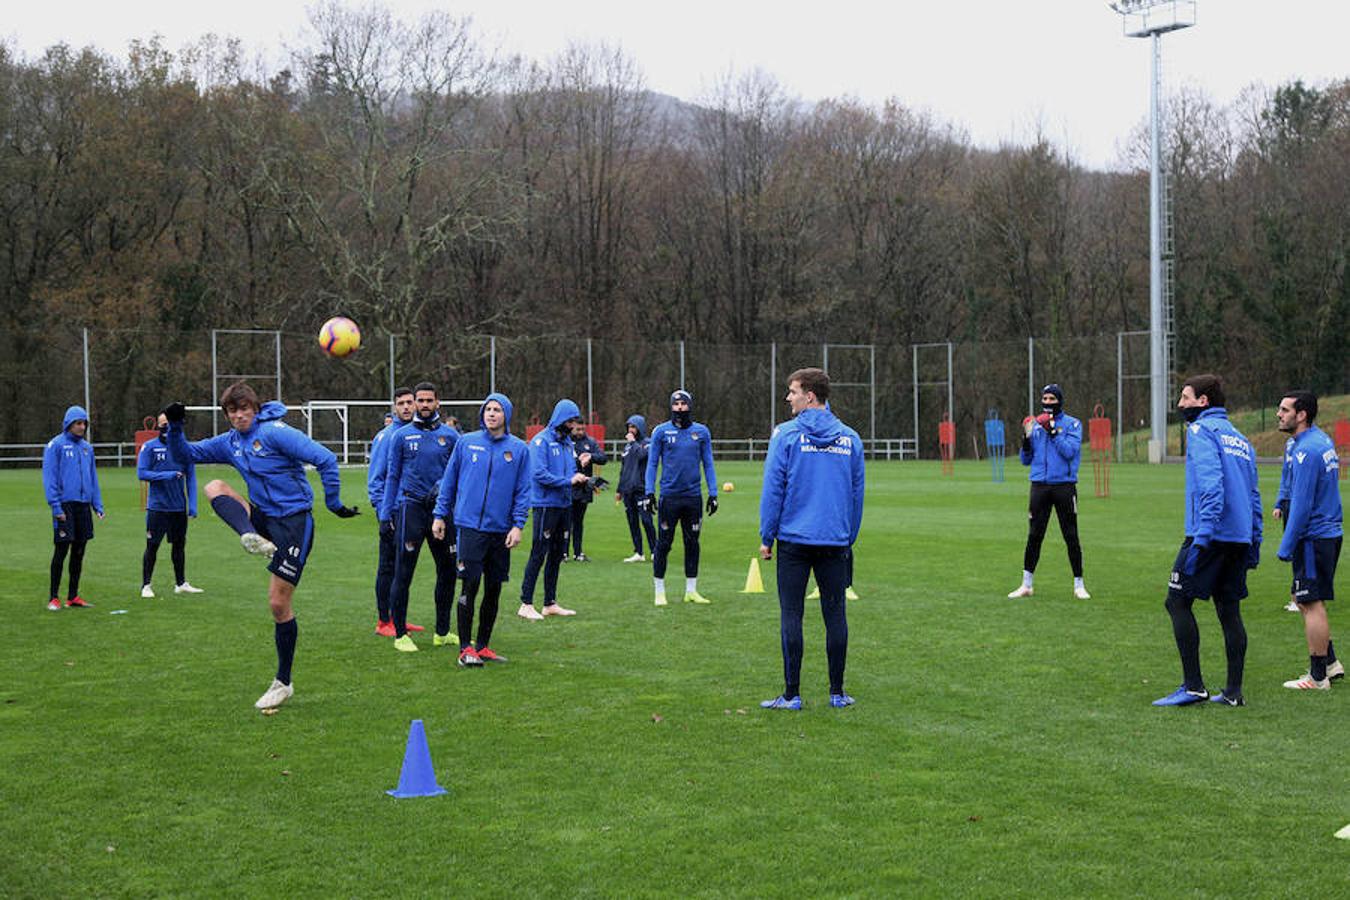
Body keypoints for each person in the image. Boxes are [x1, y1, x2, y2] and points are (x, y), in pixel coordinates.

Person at [163, 383, 359, 711]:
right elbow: (187, 455)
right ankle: (249, 536)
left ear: (255, 408)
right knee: (214, 486)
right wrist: (176, 428)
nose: (239, 416)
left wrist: (335, 503)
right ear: (226, 414)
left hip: (294, 524)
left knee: (278, 604)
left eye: (244, 409)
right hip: (263, 518)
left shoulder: (275, 433)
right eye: (232, 411)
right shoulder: (230, 443)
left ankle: (283, 682)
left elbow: (324, 458)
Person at [758, 369, 865, 710]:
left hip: (794, 540)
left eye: (792, 392)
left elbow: (773, 489)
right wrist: (848, 536)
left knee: (792, 614)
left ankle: (792, 695)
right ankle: (837, 693)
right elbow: (856, 494)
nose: (788, 398)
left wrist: (767, 535)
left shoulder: (785, 436)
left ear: (810, 396)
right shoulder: (851, 438)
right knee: (836, 616)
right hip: (835, 540)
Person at [1153, 375, 1261, 707]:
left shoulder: (1200, 432)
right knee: (1229, 610)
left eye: (1185, 398)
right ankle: (1232, 692)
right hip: (1239, 538)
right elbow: (1254, 497)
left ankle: (1193, 686)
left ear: (1202, 402)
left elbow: (1212, 488)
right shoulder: (1242, 439)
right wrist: (1255, 541)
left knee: (1176, 602)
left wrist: (1200, 540)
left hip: (1210, 536)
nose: (1180, 404)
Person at [432, 393, 532, 666]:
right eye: (488, 409)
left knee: (494, 589)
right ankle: (466, 649)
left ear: (506, 415)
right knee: (470, 585)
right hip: (470, 528)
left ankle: (484, 645)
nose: (491, 414)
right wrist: (440, 515)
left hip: (501, 531)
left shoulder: (519, 449)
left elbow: (524, 491)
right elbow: (449, 482)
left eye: (497, 410)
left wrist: (517, 525)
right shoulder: (466, 443)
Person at [379, 382, 460, 652]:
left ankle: (442, 631)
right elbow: (391, 476)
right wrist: (385, 513)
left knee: (448, 571)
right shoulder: (400, 436)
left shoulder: (451, 437)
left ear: (438, 402)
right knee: (404, 572)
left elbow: (458, 476)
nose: (424, 405)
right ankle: (400, 633)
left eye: (429, 400)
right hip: (411, 510)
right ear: (413, 403)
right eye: (419, 401)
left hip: (442, 512)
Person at [1273, 391, 1344, 690]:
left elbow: (1301, 505)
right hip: (1324, 533)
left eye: (1284, 409)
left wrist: (1286, 546)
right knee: (1305, 601)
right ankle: (1330, 662)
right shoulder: (1316, 440)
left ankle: (1317, 677)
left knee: (1310, 602)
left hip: (1313, 536)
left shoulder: (1307, 451)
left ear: (1301, 415)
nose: (1279, 414)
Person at [1008, 383, 1090, 600]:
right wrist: (1025, 441)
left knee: (1070, 535)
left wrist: (1052, 431)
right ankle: (1026, 584)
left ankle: (1079, 584)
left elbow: (1070, 452)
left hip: (1064, 485)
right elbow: (1025, 461)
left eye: (1052, 399)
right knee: (1034, 535)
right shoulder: (1035, 425)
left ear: (1060, 401)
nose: (1047, 403)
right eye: (1044, 399)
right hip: (1039, 486)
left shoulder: (1073, 424)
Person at [645, 390, 718, 606]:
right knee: (664, 544)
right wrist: (649, 492)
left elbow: (708, 463)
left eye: (683, 404)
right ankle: (659, 591)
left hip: (693, 498)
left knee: (692, 543)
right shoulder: (661, 432)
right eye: (675, 404)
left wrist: (713, 493)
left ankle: (691, 590)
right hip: (669, 497)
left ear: (690, 406)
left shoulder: (701, 432)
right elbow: (652, 464)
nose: (679, 408)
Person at [518, 399, 588, 619]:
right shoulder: (541, 442)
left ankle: (550, 602)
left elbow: (569, 472)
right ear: (560, 419)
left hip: (565, 504)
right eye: (569, 421)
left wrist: (583, 477)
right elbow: (538, 474)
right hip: (545, 505)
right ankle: (526, 603)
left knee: (557, 555)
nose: (572, 425)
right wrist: (568, 481)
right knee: (539, 553)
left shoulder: (568, 443)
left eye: (574, 421)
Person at [367, 387, 422, 636]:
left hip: (413, 511)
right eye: (401, 403)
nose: (407, 407)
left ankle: (397, 617)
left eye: (410, 402)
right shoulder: (386, 437)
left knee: (404, 568)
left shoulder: (417, 434)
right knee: (388, 567)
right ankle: (383, 621)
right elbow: (376, 480)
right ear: (394, 407)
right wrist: (383, 514)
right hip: (393, 511)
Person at [42, 405, 104, 610]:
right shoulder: (55, 445)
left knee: (79, 552)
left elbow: (93, 478)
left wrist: (97, 504)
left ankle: (73, 596)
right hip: (64, 506)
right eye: (78, 423)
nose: (82, 427)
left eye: (84, 423)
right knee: (61, 550)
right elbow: (49, 477)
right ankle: (53, 597)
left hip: (83, 505)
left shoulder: (87, 448)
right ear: (68, 424)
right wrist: (56, 506)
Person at [137, 411, 202, 598]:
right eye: (163, 424)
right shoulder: (149, 447)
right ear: (158, 425)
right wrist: (167, 475)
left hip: (178, 508)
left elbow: (191, 478)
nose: (166, 428)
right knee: (152, 546)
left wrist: (193, 505)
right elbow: (142, 474)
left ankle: (181, 583)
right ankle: (146, 585)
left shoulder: (184, 449)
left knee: (179, 546)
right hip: (157, 507)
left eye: (170, 424)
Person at [617, 415, 656, 562]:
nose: (630, 430)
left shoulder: (648, 443)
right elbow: (624, 469)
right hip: (628, 491)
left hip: (642, 490)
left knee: (646, 521)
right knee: (632, 522)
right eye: (629, 427)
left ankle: (654, 550)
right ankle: (638, 552)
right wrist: (619, 490)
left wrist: (633, 443)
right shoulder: (627, 447)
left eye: (633, 427)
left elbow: (642, 456)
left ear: (640, 428)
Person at [568, 419, 608, 561]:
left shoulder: (589, 442)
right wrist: (578, 461)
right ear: (571, 428)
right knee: (566, 522)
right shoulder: (566, 442)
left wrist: (591, 456)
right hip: (568, 488)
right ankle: (563, 553)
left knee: (579, 522)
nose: (580, 432)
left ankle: (578, 553)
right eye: (578, 429)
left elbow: (603, 457)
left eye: (582, 429)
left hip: (584, 489)